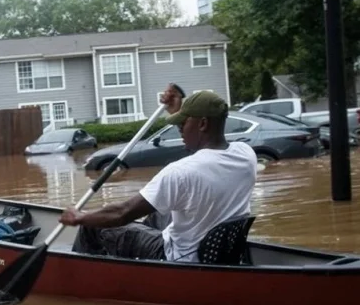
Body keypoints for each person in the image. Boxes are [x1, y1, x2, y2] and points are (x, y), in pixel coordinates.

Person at [59, 84, 257, 262]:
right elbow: (206, 156)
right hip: (217, 249)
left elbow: (122, 213)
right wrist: (178, 109)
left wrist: (79, 217)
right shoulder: (246, 154)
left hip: (178, 256)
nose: (179, 130)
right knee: (157, 209)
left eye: (183, 124)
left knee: (93, 225)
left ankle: (83, 271)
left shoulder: (180, 172)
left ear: (203, 124)